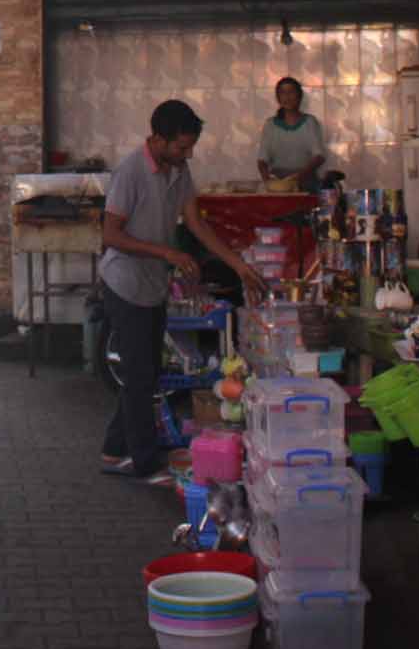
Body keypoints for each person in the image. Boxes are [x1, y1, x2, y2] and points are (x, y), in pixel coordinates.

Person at [100, 99, 269, 484]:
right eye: (181, 146)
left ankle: (113, 450)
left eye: (190, 146)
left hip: (153, 286)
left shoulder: (178, 170)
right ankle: (144, 464)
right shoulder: (130, 172)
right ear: (157, 139)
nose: (187, 153)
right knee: (141, 376)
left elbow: (196, 224)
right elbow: (111, 235)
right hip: (124, 284)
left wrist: (239, 265)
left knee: (146, 372)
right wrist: (167, 252)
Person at [255, 76, 327, 191]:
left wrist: (299, 176)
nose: (287, 97)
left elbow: (319, 156)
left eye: (291, 92)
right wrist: (268, 180)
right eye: (283, 93)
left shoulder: (310, 122)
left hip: (307, 183)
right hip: (279, 185)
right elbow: (262, 159)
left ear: (299, 96)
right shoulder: (270, 125)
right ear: (278, 98)